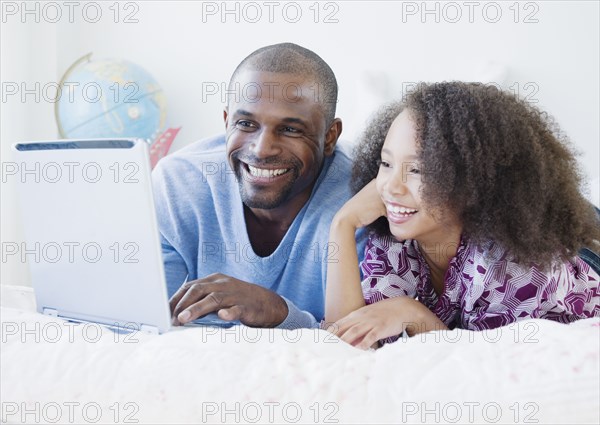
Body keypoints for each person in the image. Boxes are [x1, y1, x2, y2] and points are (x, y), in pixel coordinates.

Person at [324, 82, 600, 349]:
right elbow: (349, 340)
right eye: (386, 163)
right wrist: (343, 223)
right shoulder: (397, 236)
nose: (392, 187)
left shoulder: (513, 269)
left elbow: (488, 372)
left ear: (471, 182)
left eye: (418, 170)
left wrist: (413, 314)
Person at [152, 43, 363, 329]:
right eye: (246, 124)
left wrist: (277, 312)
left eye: (290, 129)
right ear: (227, 122)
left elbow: (362, 340)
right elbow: (148, 321)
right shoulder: (179, 182)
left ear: (329, 136)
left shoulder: (361, 199)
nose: (262, 149)